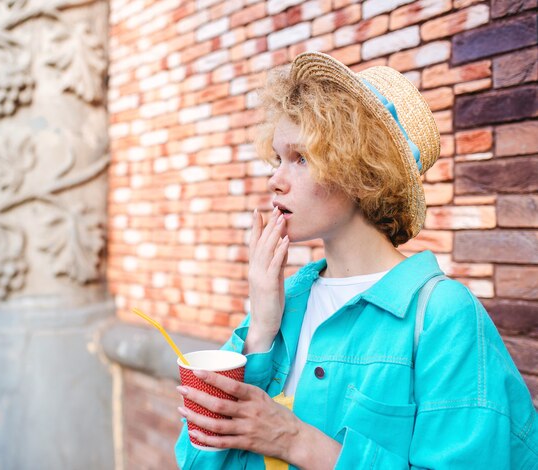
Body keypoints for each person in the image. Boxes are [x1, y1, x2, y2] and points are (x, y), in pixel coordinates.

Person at [174, 51, 538, 469]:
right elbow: (194, 460)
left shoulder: (442, 316)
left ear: (360, 170)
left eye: (301, 158)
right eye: (278, 159)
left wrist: (295, 440)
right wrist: (259, 333)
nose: (275, 179)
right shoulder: (284, 302)